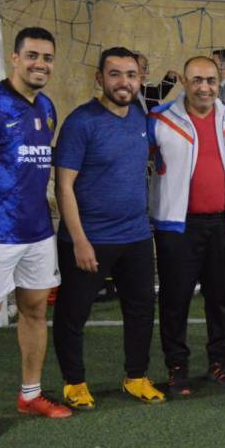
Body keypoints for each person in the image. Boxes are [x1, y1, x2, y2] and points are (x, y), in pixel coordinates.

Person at [0, 27, 72, 439]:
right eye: (33, 55)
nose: (41, 64)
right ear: (15, 58)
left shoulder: (47, 107)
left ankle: (30, 394)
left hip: (38, 233)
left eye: (48, 57)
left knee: (36, 311)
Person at [54, 47, 164, 409]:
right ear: (100, 78)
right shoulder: (81, 122)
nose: (123, 82)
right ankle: (74, 382)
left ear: (139, 80)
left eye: (131, 75)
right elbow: (64, 186)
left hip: (135, 236)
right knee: (73, 314)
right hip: (90, 239)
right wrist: (79, 240)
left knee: (141, 310)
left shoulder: (139, 117)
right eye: (115, 74)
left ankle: (136, 377)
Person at [148, 56, 225, 396]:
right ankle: (177, 368)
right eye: (197, 80)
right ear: (185, 82)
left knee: (220, 300)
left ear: (219, 83)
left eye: (211, 80)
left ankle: (220, 362)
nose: (204, 87)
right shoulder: (158, 119)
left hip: (221, 225)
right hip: (177, 228)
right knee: (175, 302)